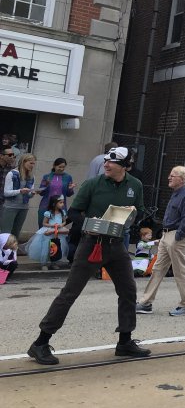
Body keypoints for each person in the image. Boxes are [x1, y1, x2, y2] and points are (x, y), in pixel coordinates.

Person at [29, 147, 148, 365]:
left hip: (117, 245)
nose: (106, 165)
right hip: (92, 244)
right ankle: (40, 343)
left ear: (124, 166)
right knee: (70, 293)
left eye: (111, 162)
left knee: (129, 291)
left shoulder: (135, 185)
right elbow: (74, 212)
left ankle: (125, 341)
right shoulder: (93, 184)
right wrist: (89, 225)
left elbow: (140, 211)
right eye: (105, 161)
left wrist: (133, 215)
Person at [136, 166, 185, 317]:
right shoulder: (176, 194)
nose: (169, 177)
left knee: (179, 270)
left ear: (182, 179)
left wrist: (178, 236)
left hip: (176, 236)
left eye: (173, 175)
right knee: (157, 269)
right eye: (170, 175)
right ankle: (146, 302)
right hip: (166, 236)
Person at [29, 195, 69, 270]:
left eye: (63, 202)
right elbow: (44, 223)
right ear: (54, 203)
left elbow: (64, 221)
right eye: (60, 202)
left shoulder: (62, 212)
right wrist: (52, 225)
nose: (62, 204)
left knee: (57, 247)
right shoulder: (49, 213)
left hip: (58, 232)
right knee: (47, 248)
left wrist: (61, 225)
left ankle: (54, 262)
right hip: (49, 231)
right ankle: (44, 263)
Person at [2, 153, 36, 238]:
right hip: (10, 207)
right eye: (31, 163)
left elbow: (29, 195)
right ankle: (3, 251)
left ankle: (13, 250)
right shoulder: (12, 174)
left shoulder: (31, 177)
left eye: (34, 163)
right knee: (6, 233)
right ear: (24, 162)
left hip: (23, 207)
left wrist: (32, 193)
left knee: (16, 233)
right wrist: (20, 191)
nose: (32, 165)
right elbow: (6, 192)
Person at [36, 158, 75, 230]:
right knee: (43, 228)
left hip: (60, 208)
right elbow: (41, 193)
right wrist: (45, 186)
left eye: (63, 167)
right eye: (59, 167)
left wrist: (70, 189)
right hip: (45, 206)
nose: (61, 169)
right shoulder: (47, 176)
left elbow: (69, 194)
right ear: (54, 166)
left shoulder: (68, 177)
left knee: (58, 229)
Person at [0, 147, 15, 218]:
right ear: (1, 156)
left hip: (4, 202)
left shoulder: (12, 169)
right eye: (10, 155)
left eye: (13, 155)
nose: (12, 157)